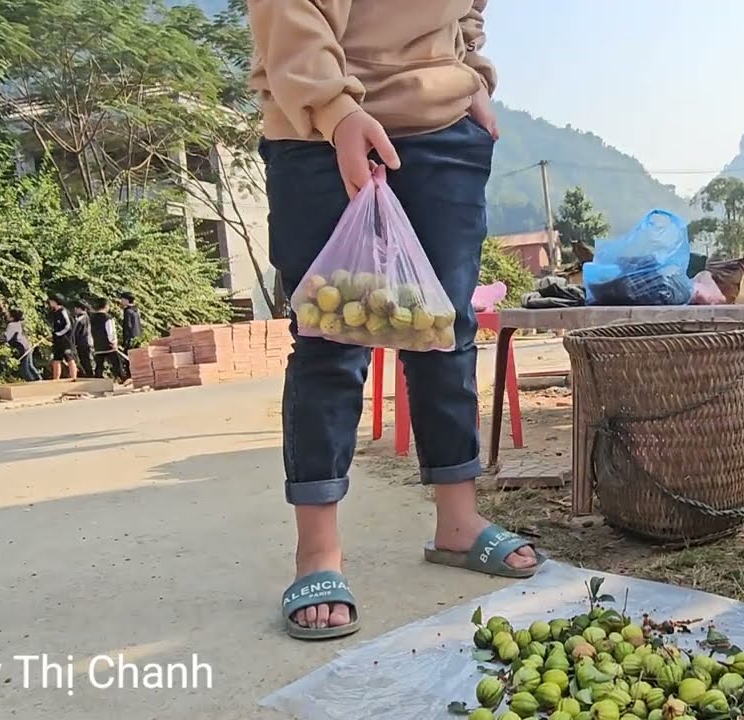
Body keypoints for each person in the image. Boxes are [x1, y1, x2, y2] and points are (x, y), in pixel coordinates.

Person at [248, 0, 539, 641]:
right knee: (328, 339)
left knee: (445, 331)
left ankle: (458, 524)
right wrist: (336, 110)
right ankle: (318, 553)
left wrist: (473, 77)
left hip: (444, 133)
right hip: (316, 132)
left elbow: (469, 11)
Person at [89, 298, 126, 382]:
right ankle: (121, 378)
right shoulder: (108, 318)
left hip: (97, 345)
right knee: (116, 363)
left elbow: (89, 332)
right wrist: (114, 342)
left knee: (99, 365)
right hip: (109, 345)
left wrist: (92, 343)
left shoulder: (92, 318)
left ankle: (97, 380)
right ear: (106, 306)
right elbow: (111, 331)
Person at [3, 309, 41, 382]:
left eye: (8, 315)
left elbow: (6, 337)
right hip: (27, 345)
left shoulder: (11, 325)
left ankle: (32, 382)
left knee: (24, 370)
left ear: (12, 317)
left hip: (23, 348)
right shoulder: (18, 323)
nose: (7, 316)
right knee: (30, 366)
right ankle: (39, 379)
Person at [47, 295, 77, 380]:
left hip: (65, 340)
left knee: (69, 358)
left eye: (51, 301)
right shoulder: (54, 312)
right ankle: (56, 378)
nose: (50, 303)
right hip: (57, 340)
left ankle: (73, 377)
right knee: (56, 359)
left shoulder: (63, 311)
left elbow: (68, 325)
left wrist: (59, 333)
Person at [72, 301, 94, 378]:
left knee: (85, 359)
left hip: (83, 342)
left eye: (76, 308)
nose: (75, 309)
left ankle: (89, 375)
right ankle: (87, 374)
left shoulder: (82, 319)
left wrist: (74, 341)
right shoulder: (83, 318)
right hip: (83, 342)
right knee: (83, 359)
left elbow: (77, 332)